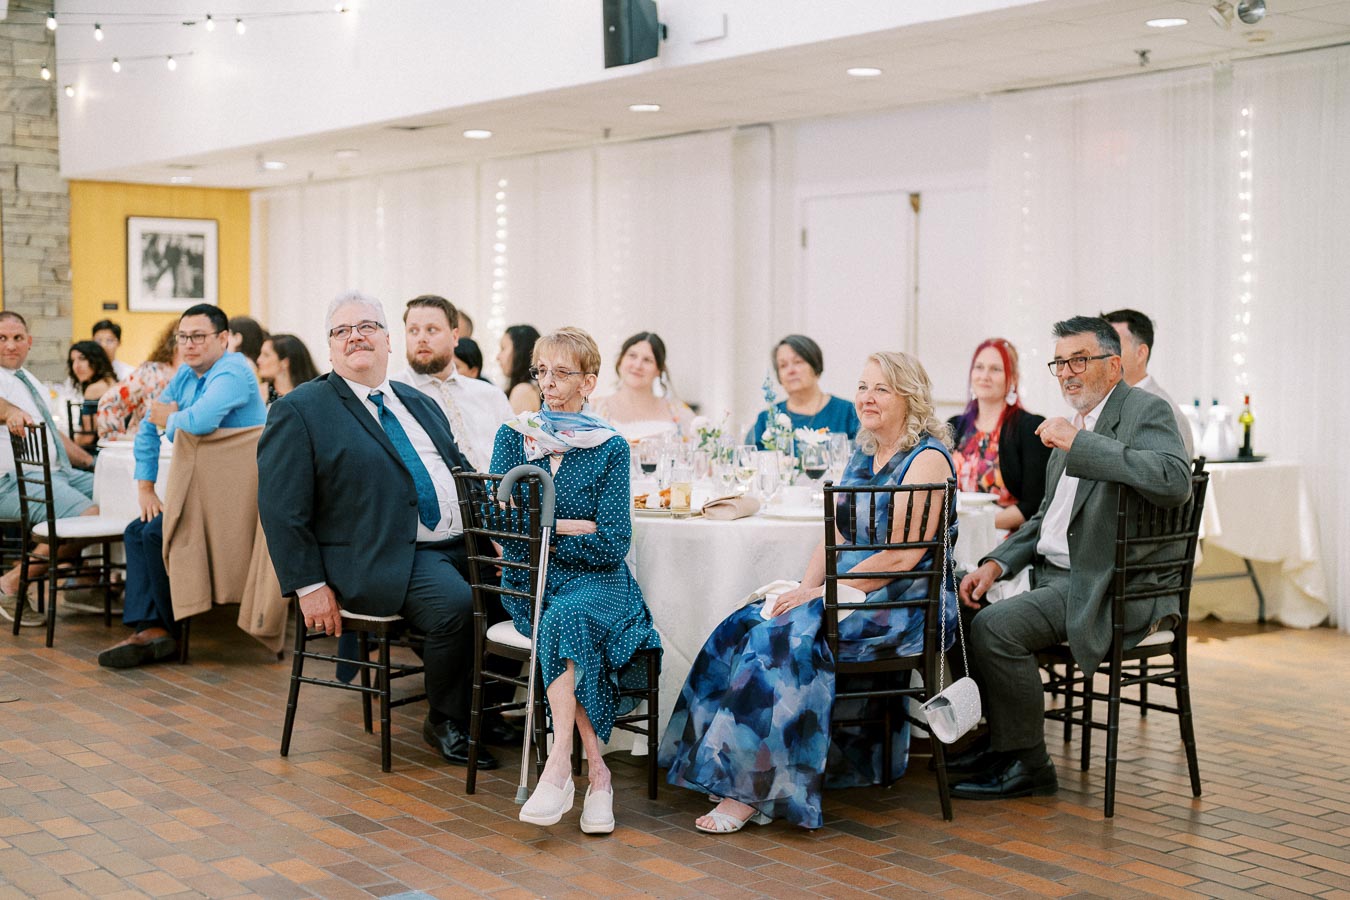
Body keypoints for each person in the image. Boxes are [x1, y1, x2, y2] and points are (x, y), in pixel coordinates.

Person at [661, 350, 957, 832]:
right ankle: (728, 770)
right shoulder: (865, 451)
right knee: (745, 623)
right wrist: (805, 587)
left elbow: (904, 557)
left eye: (881, 389)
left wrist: (823, 596)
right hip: (856, 592)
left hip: (904, 603)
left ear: (910, 397)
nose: (866, 397)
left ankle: (751, 791)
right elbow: (834, 533)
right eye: (862, 387)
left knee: (779, 638)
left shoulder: (924, 460)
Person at [258, 292, 499, 770]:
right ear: (328, 348)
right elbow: (281, 510)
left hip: (459, 543)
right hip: (381, 555)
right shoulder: (301, 410)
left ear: (388, 341)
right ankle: (447, 720)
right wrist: (309, 587)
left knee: (516, 591)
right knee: (456, 606)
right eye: (342, 331)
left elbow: (460, 468)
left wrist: (491, 529)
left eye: (367, 326)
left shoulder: (415, 400)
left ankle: (485, 711)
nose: (355, 337)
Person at [953, 316, 1190, 801]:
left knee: (996, 627)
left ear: (1115, 364)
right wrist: (996, 564)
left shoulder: (1143, 411)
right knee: (953, 601)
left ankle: (1030, 765)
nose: (1067, 372)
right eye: (1060, 362)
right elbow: (1043, 519)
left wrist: (1080, 443)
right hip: (1053, 574)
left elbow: (1173, 480)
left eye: (1079, 360)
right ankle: (998, 742)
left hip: (1103, 584)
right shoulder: (1073, 426)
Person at [492, 327, 661, 834]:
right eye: (541, 371)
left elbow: (612, 541)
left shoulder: (609, 446)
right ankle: (597, 774)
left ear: (589, 381)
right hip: (532, 580)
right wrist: (569, 525)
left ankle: (562, 764)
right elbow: (502, 526)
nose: (549, 383)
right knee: (563, 618)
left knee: (566, 619)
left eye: (562, 373)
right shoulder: (514, 435)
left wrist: (543, 526)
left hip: (601, 581)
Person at [96, 304, 268, 668]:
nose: (188, 344)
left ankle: (166, 629)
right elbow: (147, 426)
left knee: (157, 534)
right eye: (183, 337)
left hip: (236, 502)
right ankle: (153, 627)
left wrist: (170, 418)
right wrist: (145, 488)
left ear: (223, 339)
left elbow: (201, 421)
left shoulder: (234, 371)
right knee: (138, 528)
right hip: (198, 492)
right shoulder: (186, 376)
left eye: (198, 337)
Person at [0, 312, 102, 627]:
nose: (10, 346)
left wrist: (93, 463)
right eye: (2, 338)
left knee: (122, 499)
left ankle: (85, 587)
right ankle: (12, 583)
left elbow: (54, 434)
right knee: (95, 516)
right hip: (11, 480)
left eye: (17, 338)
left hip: (59, 472)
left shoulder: (30, 380)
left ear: (29, 342)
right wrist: (12, 412)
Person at [392, 295, 512, 472]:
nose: (421, 339)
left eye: (431, 330)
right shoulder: (390, 396)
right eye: (413, 331)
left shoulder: (490, 395)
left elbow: (517, 454)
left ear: (455, 336)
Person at [946, 338, 1051, 532]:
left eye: (996, 369)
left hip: (1005, 540)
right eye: (979, 367)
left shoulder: (1030, 428)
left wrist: (977, 527)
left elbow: (1034, 504)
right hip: (956, 536)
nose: (985, 376)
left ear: (1012, 378)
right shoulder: (954, 426)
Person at [1102, 309, 1195, 459]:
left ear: (1140, 354)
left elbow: (1168, 476)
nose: (1104, 356)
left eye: (1113, 347)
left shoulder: (1162, 410)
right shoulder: (1106, 403)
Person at [747, 335, 860, 449]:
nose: (791, 370)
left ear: (815, 366)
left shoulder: (849, 413)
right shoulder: (767, 419)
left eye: (798, 362)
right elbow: (748, 461)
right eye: (783, 365)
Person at [591, 331, 694, 442]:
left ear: (658, 370)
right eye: (632, 356)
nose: (638, 365)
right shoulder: (593, 409)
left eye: (647, 360)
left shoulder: (678, 411)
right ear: (620, 361)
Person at [96, 321, 180, 441]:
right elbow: (109, 401)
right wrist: (118, 439)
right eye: (183, 337)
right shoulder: (151, 373)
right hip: (147, 448)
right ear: (173, 342)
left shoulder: (206, 375)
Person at [67, 340, 118, 452]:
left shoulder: (94, 389)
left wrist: (68, 445)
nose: (76, 366)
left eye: (82, 359)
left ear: (96, 360)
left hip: (99, 454)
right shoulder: (111, 382)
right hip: (115, 450)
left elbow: (87, 438)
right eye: (73, 361)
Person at [257, 334, 320, 403]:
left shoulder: (314, 393)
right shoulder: (260, 394)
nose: (259, 360)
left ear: (285, 362)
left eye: (266, 355)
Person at [497, 324, 541, 414]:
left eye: (503, 348)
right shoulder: (532, 387)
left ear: (520, 352)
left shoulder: (523, 391)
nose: (498, 357)